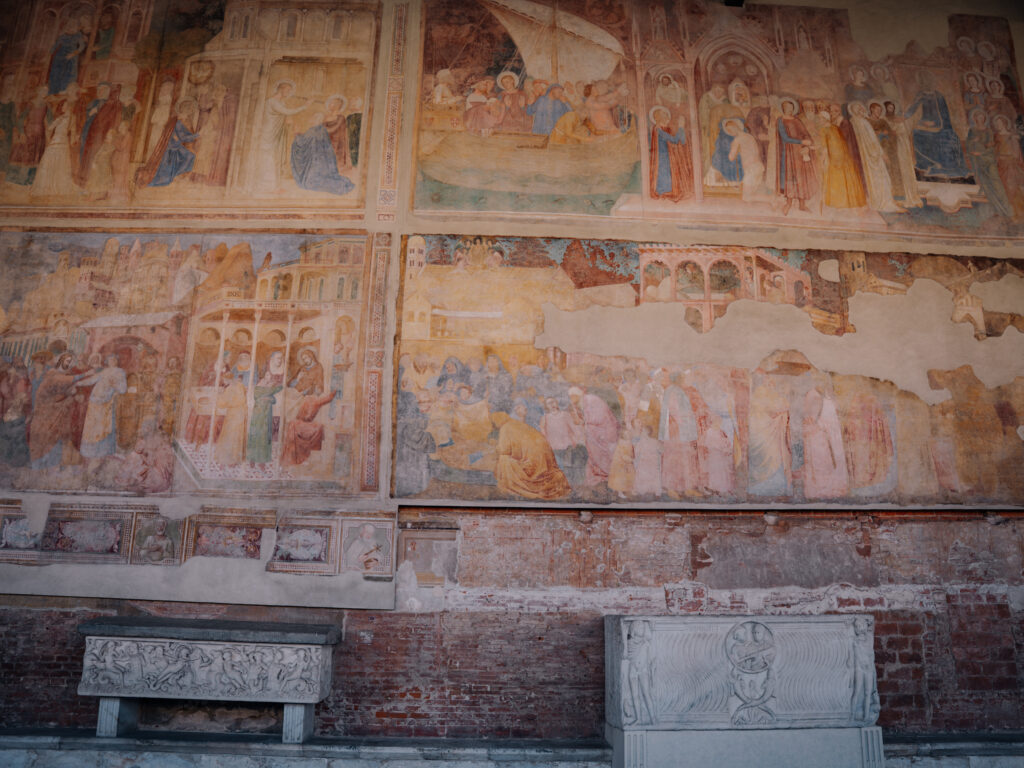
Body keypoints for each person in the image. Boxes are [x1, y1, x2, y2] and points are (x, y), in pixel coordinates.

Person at [491, 411, 571, 500]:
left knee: (503, 460)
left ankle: (514, 487)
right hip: (544, 461)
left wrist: (494, 446)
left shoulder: (506, 427)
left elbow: (504, 450)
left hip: (532, 464)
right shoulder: (517, 424)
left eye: (493, 422)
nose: (494, 425)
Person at [905, 71, 970, 180]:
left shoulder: (938, 95)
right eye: (924, 81)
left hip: (939, 124)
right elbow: (912, 108)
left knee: (948, 136)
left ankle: (945, 166)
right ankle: (926, 164)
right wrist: (903, 116)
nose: (927, 83)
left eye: (928, 80)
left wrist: (942, 125)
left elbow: (945, 113)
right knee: (916, 134)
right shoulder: (921, 94)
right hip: (924, 124)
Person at [253, 80, 308, 193]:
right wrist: (305, 106)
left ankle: (276, 186)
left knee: (276, 158)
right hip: (269, 133)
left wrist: (291, 123)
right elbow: (287, 112)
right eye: (287, 90)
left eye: (290, 91)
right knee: (269, 158)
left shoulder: (281, 102)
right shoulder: (272, 102)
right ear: (281, 89)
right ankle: (267, 185)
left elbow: (285, 117)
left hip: (277, 134)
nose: (289, 93)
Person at [848, 101, 901, 212]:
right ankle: (882, 202)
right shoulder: (858, 122)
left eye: (862, 108)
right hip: (870, 155)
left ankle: (886, 201)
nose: (862, 110)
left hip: (873, 154)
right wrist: (880, 153)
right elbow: (869, 140)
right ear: (854, 111)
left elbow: (875, 138)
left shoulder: (860, 121)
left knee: (882, 178)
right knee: (879, 178)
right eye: (859, 109)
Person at [75, 354, 128, 458]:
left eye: (113, 359)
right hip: (94, 400)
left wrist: (114, 384)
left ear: (116, 361)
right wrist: (78, 383)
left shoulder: (120, 372)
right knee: (91, 427)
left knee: (103, 427)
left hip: (106, 403)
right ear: (107, 361)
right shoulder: (104, 371)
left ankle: (102, 452)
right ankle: (89, 452)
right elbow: (91, 380)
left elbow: (123, 389)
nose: (111, 361)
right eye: (109, 360)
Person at [290, 112, 355, 195]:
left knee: (309, 183)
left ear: (316, 120)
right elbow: (308, 139)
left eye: (313, 118)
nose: (310, 119)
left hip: (315, 163)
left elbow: (302, 141)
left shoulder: (313, 130)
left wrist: (296, 134)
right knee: (321, 179)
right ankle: (340, 184)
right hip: (323, 162)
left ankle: (339, 185)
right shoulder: (321, 129)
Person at [965, 108, 1013, 219]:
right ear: (975, 119)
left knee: (996, 182)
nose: (980, 119)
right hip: (977, 160)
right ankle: (997, 209)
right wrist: (973, 141)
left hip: (988, 158)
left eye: (982, 117)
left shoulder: (988, 131)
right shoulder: (972, 131)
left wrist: (981, 152)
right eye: (978, 117)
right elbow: (968, 145)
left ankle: (1006, 207)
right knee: (986, 184)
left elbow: (991, 146)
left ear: (984, 119)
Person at [146, 99, 199, 187]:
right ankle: (175, 176)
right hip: (172, 147)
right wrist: (198, 134)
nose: (189, 110)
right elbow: (183, 137)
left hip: (177, 145)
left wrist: (194, 136)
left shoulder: (186, 120)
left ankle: (177, 175)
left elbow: (188, 135)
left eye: (191, 108)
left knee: (190, 156)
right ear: (182, 109)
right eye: (187, 108)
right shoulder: (178, 120)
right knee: (189, 156)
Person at [821, 106, 866, 208]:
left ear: (838, 112)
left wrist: (834, 128)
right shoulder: (832, 124)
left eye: (833, 111)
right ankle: (838, 201)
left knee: (846, 177)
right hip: (837, 153)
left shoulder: (844, 122)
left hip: (845, 153)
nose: (832, 114)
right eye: (831, 112)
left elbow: (843, 136)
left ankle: (847, 201)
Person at [776, 98, 816, 213]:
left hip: (799, 153)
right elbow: (784, 138)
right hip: (788, 152)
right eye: (786, 107)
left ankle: (802, 205)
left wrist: (807, 143)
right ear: (783, 109)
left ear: (793, 108)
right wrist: (802, 142)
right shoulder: (780, 120)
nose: (788, 110)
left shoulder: (797, 120)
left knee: (801, 177)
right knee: (790, 177)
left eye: (790, 107)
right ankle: (788, 203)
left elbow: (805, 133)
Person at [31, 100, 78, 197]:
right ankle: (46, 187)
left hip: (62, 143)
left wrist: (75, 139)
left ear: (69, 106)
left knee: (60, 163)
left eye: (64, 106)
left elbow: (73, 133)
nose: (62, 108)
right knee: (49, 162)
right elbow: (50, 128)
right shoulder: (60, 118)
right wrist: (45, 123)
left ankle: (58, 187)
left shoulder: (72, 118)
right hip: (55, 142)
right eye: (62, 106)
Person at [280, 388, 335, 467]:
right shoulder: (314, 400)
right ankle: (306, 454)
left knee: (318, 427)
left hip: (297, 424)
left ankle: (302, 455)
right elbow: (328, 398)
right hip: (301, 425)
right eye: (319, 390)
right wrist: (334, 391)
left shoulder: (307, 398)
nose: (320, 392)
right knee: (319, 428)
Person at [649, 106, 693, 201]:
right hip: (662, 158)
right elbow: (674, 140)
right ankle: (664, 192)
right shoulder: (658, 129)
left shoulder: (666, 129)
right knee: (665, 174)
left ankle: (668, 191)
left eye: (667, 114)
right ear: (658, 117)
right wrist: (681, 127)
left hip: (669, 156)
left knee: (670, 172)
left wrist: (682, 131)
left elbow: (682, 141)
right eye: (664, 115)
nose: (667, 117)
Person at [726, 118, 765, 202]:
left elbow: (731, 157)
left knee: (747, 197)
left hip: (751, 170)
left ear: (734, 128)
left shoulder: (737, 139)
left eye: (729, 130)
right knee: (751, 196)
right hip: (759, 167)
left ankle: (772, 199)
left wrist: (732, 147)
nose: (730, 133)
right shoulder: (749, 136)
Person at [48, 20, 86, 96]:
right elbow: (55, 46)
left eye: (72, 26)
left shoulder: (78, 35)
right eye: (69, 26)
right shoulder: (62, 36)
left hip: (71, 58)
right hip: (59, 58)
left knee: (69, 74)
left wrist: (73, 54)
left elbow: (82, 46)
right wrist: (48, 55)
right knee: (56, 74)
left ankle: (65, 90)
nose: (70, 28)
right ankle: (54, 92)